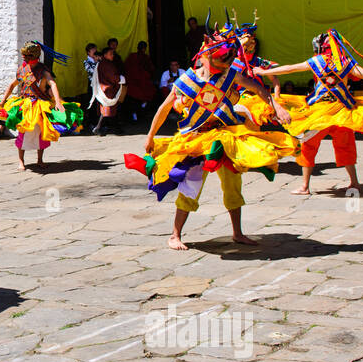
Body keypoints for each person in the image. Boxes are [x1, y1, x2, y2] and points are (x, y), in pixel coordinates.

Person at [125, 24, 296, 251]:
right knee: (191, 185)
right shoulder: (188, 81)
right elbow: (163, 109)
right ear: (207, 55)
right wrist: (150, 136)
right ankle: (175, 235)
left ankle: (237, 233)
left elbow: (258, 89)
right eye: (224, 58)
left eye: (229, 59)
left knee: (233, 183)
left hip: (225, 135)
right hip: (197, 138)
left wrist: (276, 107)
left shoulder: (230, 76)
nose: (227, 63)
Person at [263, 31, 363, 195]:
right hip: (343, 111)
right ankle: (354, 183)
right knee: (346, 145)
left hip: (320, 112)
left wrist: (262, 72)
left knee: (308, 145)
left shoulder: (317, 60)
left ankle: (305, 186)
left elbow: (290, 69)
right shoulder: (346, 62)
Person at [0, 42, 72, 171]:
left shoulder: (43, 70)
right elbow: (12, 85)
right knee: (23, 133)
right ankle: (21, 161)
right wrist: (2, 101)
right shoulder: (22, 70)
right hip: (25, 106)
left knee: (41, 133)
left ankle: (40, 160)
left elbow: (53, 84)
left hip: (40, 106)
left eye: (26, 55)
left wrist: (58, 102)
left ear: (33, 56)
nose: (24, 58)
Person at [91, 45, 127, 135]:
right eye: (110, 54)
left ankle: (111, 128)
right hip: (108, 90)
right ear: (105, 55)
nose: (112, 56)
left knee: (109, 110)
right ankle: (100, 128)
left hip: (107, 89)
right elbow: (112, 76)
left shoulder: (105, 63)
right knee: (108, 110)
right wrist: (120, 79)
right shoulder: (106, 64)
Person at [124, 42, 157, 123]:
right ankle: (138, 111)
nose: (143, 50)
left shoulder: (138, 57)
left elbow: (151, 68)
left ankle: (138, 111)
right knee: (139, 97)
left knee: (144, 95)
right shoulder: (134, 57)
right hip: (135, 82)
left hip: (141, 82)